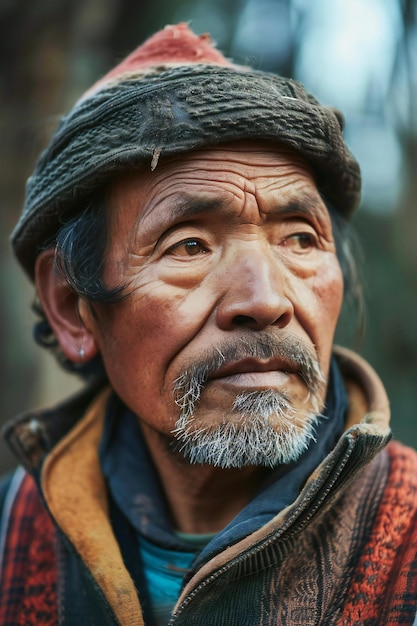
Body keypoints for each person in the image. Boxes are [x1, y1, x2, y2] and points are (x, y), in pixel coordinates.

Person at [0, 22, 416, 626]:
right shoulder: (13, 537)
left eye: (300, 238)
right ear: (71, 306)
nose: (266, 299)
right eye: (189, 245)